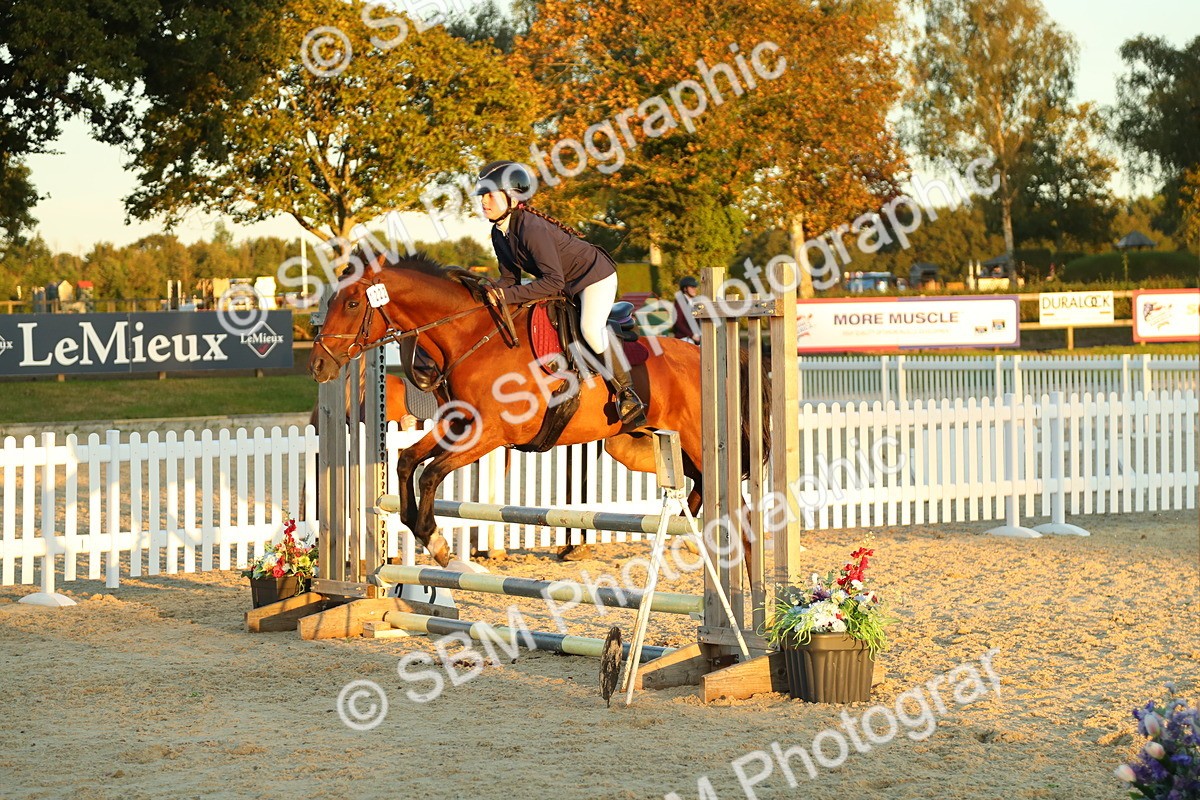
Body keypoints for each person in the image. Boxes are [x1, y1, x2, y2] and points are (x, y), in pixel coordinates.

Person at [472, 160, 646, 426]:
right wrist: (490, 290)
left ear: (512, 198)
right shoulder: (498, 232)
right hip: (565, 284)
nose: (484, 201)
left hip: (593, 277)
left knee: (590, 328)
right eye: (481, 195)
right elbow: (510, 279)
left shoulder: (532, 229)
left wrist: (507, 296)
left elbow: (552, 281)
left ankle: (628, 394)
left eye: (490, 195)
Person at [672, 276, 700, 343]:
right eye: (692, 287)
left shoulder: (694, 301)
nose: (695, 289)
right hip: (684, 337)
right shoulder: (680, 302)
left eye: (695, 287)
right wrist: (692, 335)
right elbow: (678, 323)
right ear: (685, 289)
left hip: (696, 338)